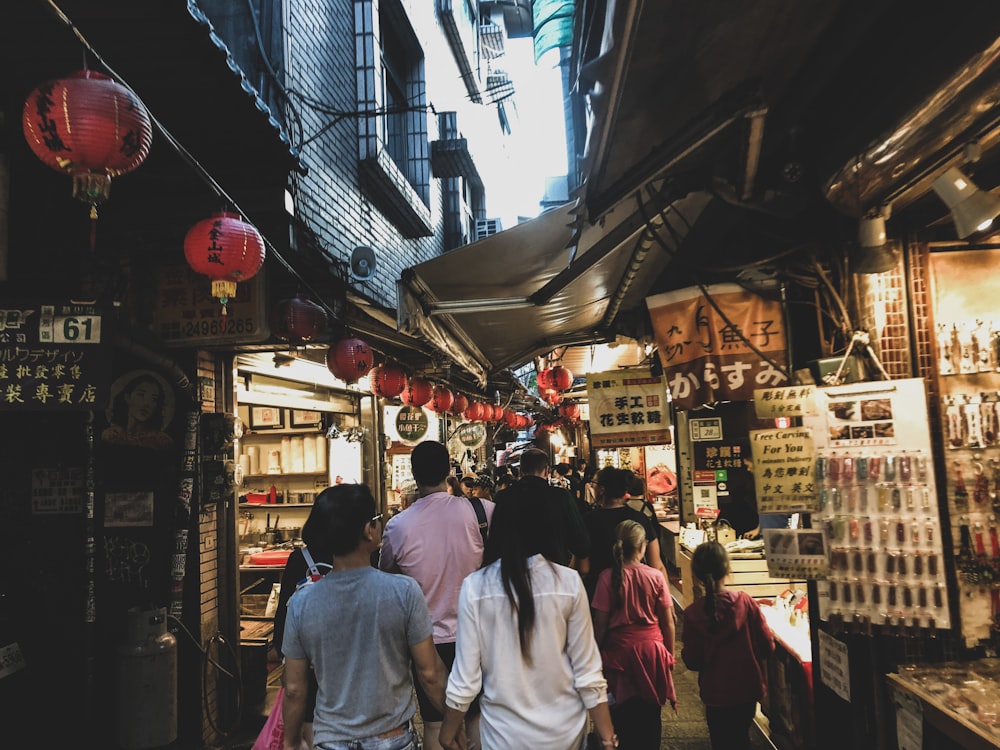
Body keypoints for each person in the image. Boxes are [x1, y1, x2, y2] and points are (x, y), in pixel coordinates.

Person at [438, 486, 617, 750]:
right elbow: (588, 671)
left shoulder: (476, 587)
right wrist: (607, 736)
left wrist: (448, 730)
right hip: (566, 733)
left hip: (503, 735)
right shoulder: (568, 582)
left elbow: (465, 678)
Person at [280, 483, 451, 750]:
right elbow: (430, 673)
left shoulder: (301, 604)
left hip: (330, 739)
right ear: (367, 531)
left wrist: (290, 742)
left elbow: (293, 688)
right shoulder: (403, 591)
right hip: (392, 738)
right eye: (376, 520)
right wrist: (453, 725)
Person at [380, 440, 495, 750]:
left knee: (434, 720)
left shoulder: (398, 526)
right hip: (478, 632)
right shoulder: (482, 510)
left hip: (425, 639)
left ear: (414, 474)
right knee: (475, 716)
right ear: (449, 471)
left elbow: (387, 576)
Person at [681, 541, 775, 750]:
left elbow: (692, 660)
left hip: (715, 693)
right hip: (746, 690)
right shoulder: (745, 602)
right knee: (741, 736)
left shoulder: (693, 614)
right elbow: (767, 646)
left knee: (722, 741)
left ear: (696, 574)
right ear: (727, 570)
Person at [591, 520, 676, 750]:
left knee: (621, 714)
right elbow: (668, 622)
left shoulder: (607, 577)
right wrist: (669, 654)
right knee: (650, 713)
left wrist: (596, 656)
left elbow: (600, 623)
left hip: (619, 655)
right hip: (652, 652)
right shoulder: (655, 576)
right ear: (642, 547)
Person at [271, 500, 336, 747]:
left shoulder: (299, 558)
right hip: (338, 652)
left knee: (308, 710)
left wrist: (279, 644)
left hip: (306, 652)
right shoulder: (347, 555)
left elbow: (284, 605)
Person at [580, 467, 669, 600]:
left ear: (602, 490)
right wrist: (668, 604)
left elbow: (583, 568)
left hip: (598, 594)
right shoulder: (640, 519)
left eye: (595, 484)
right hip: (638, 593)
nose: (593, 488)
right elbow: (657, 566)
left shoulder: (588, 521)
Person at [495, 447, 589, 568]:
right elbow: (581, 545)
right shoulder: (561, 497)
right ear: (546, 471)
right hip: (553, 573)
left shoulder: (504, 497)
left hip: (513, 575)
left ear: (520, 471)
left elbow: (495, 543)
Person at [102, 370, 174, 450]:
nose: (147, 403)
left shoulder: (160, 440)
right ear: (127, 397)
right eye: (141, 395)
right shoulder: (112, 435)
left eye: (154, 399)